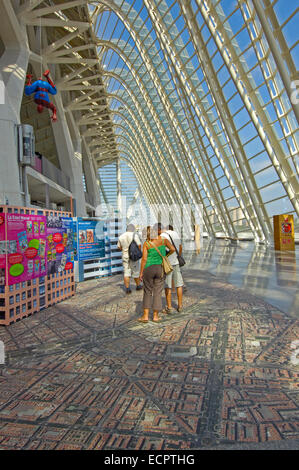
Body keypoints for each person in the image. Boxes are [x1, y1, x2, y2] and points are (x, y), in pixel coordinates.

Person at [138, 225, 175, 323]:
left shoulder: (147, 243)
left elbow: (144, 259)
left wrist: (141, 272)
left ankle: (145, 316)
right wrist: (165, 255)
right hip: (160, 268)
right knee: (158, 292)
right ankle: (155, 316)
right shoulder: (163, 240)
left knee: (147, 291)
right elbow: (173, 249)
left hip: (148, 269)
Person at [160, 224, 184, 313]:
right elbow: (180, 247)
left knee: (168, 285)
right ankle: (180, 306)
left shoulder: (163, 235)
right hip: (176, 262)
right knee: (179, 284)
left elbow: (161, 249)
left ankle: (169, 307)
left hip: (167, 264)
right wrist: (178, 256)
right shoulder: (176, 233)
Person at [117, 224, 142, 294]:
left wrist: (124, 249)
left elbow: (119, 247)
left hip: (125, 256)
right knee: (136, 272)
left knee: (126, 272)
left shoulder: (121, 236)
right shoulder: (135, 235)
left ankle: (128, 288)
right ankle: (138, 285)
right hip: (134, 257)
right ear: (133, 229)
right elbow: (139, 245)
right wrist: (137, 253)